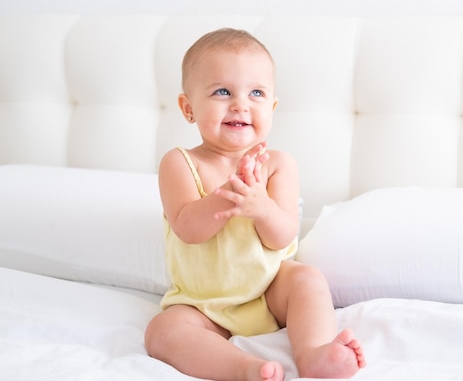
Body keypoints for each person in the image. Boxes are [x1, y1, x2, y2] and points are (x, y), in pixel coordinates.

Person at [144, 28, 366, 381]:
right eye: (222, 91)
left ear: (272, 107)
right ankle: (245, 369)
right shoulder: (179, 163)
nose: (240, 104)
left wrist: (261, 206)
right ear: (188, 108)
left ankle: (314, 353)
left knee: (306, 278)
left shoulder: (277, 164)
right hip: (202, 303)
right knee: (161, 332)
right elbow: (187, 229)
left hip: (267, 291)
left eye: (257, 93)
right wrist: (228, 193)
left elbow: (282, 237)